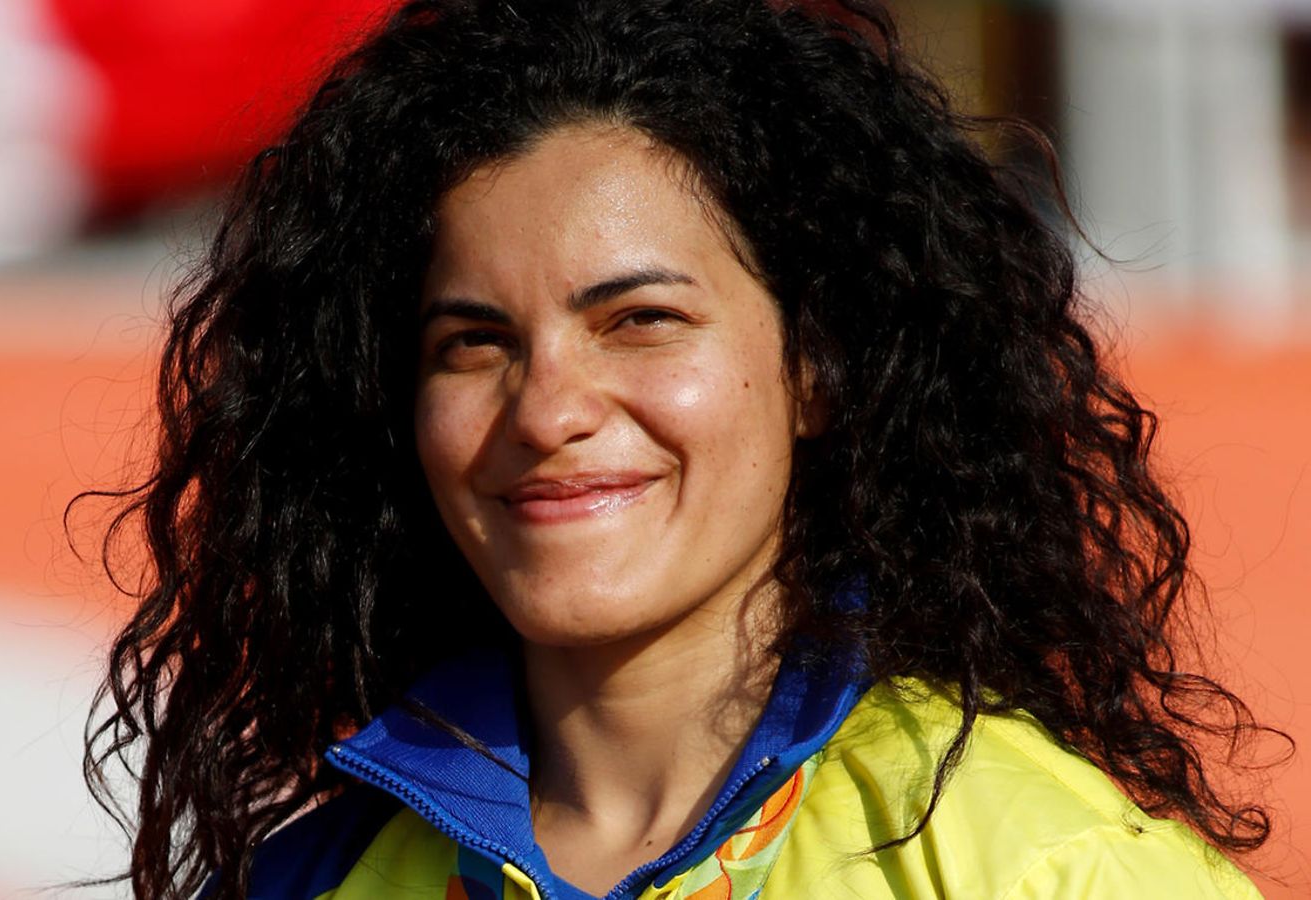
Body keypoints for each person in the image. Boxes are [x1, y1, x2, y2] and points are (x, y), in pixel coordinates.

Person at [81, 1, 1286, 897]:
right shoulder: (309, 882)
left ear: (819, 370)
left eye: (641, 320)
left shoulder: (1042, 868)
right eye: (474, 342)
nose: (546, 410)